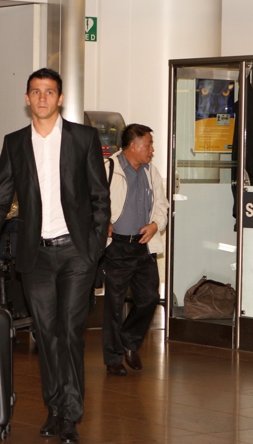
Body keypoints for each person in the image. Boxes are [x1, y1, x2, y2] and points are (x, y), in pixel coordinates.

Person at [0, 68, 110, 444]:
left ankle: (71, 415)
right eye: (35, 92)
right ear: (27, 99)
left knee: (70, 332)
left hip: (76, 253)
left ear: (60, 98)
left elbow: (99, 197)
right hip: (36, 255)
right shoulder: (15, 143)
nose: (42, 97)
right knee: (45, 335)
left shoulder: (84, 138)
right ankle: (54, 407)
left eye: (49, 92)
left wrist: (92, 250)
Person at [102, 124, 169, 377]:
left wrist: (155, 224)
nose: (152, 150)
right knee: (114, 304)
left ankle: (129, 341)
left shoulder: (152, 172)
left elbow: (162, 205)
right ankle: (113, 358)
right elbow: (93, 201)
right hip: (117, 245)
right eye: (148, 144)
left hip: (143, 245)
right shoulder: (109, 168)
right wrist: (103, 221)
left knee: (150, 298)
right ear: (133, 146)